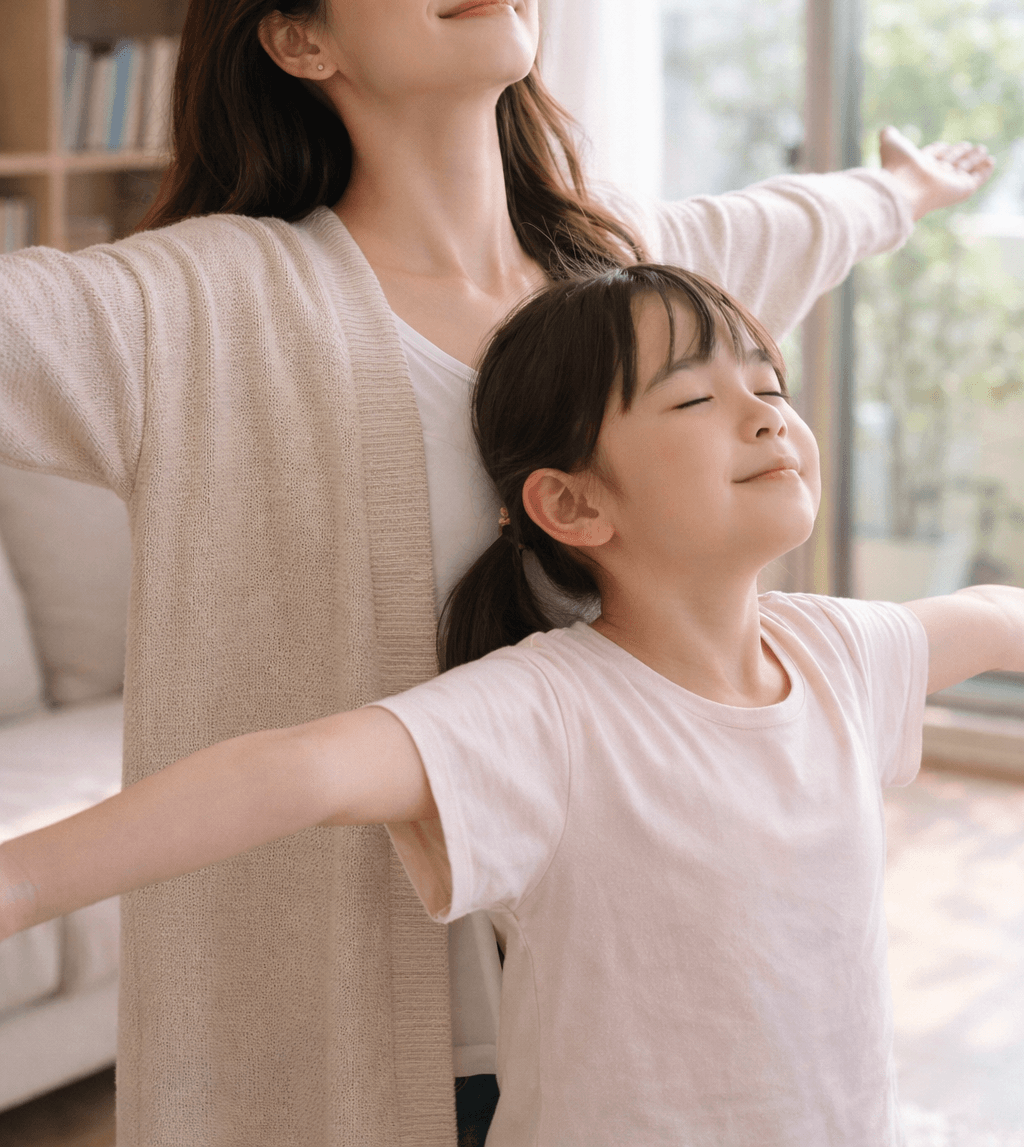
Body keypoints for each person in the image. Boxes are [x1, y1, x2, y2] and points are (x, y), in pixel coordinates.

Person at [0, 0, 994, 1147]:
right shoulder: (195, 307)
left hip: (628, 1008)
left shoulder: (627, 272)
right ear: (297, 34)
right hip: (352, 1013)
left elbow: (795, 222)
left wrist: (904, 196)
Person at [2, 264, 1019, 1147]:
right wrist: (22, 884)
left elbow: (991, 611)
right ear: (572, 503)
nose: (765, 414)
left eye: (766, 382)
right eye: (690, 401)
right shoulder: (551, 715)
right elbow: (293, 771)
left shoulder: (837, 653)